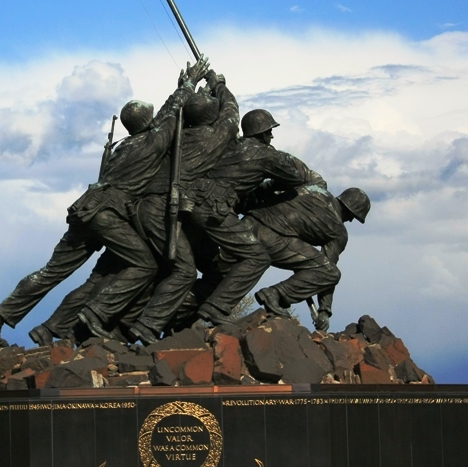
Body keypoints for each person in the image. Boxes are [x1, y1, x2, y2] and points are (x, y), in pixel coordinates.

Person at [0, 58, 209, 346]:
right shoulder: (151, 143)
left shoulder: (124, 147)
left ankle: (0, 314)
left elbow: (164, 116)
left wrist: (181, 88)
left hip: (84, 208)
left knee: (52, 271)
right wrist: (188, 85)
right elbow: (171, 116)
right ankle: (95, 314)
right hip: (107, 213)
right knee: (145, 265)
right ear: (147, 122)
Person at [78, 69, 238, 342]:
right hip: (161, 209)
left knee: (161, 268)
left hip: (141, 209)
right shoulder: (213, 137)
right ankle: (140, 324)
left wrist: (187, 88)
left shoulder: (169, 135)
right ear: (211, 117)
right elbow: (232, 115)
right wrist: (219, 85)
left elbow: (167, 116)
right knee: (184, 271)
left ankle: (124, 325)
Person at [176, 108, 312, 328]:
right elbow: (297, 176)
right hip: (214, 209)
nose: (271, 136)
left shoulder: (229, 146)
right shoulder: (265, 154)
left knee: (214, 268)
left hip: (191, 204)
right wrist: (275, 163)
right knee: (257, 258)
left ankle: (177, 316)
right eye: (269, 132)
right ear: (261, 133)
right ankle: (215, 309)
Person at [248, 182, 370, 331]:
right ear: (349, 210)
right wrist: (324, 311)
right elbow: (326, 271)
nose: (350, 220)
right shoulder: (338, 231)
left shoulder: (315, 190)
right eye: (353, 216)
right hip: (270, 238)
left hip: (247, 224)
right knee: (330, 273)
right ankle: (274, 294)